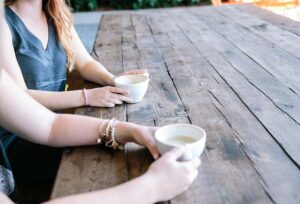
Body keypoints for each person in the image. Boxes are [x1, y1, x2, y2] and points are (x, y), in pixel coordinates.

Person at [0, 0, 147, 197]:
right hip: (19, 138)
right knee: (97, 155)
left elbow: (85, 63)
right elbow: (21, 97)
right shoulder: (4, 23)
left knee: (113, 137)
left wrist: (115, 81)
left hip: (57, 124)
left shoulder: (56, 14)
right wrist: (86, 97)